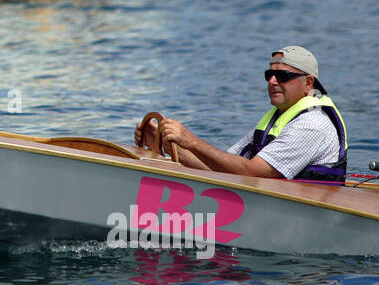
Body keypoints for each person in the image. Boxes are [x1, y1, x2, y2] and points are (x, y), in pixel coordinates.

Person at [136, 46, 348, 184]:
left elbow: (252, 173)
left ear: (308, 83)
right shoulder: (277, 117)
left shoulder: (311, 124)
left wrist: (191, 141)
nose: (272, 81)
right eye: (269, 75)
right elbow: (221, 168)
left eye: (282, 76)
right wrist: (163, 143)